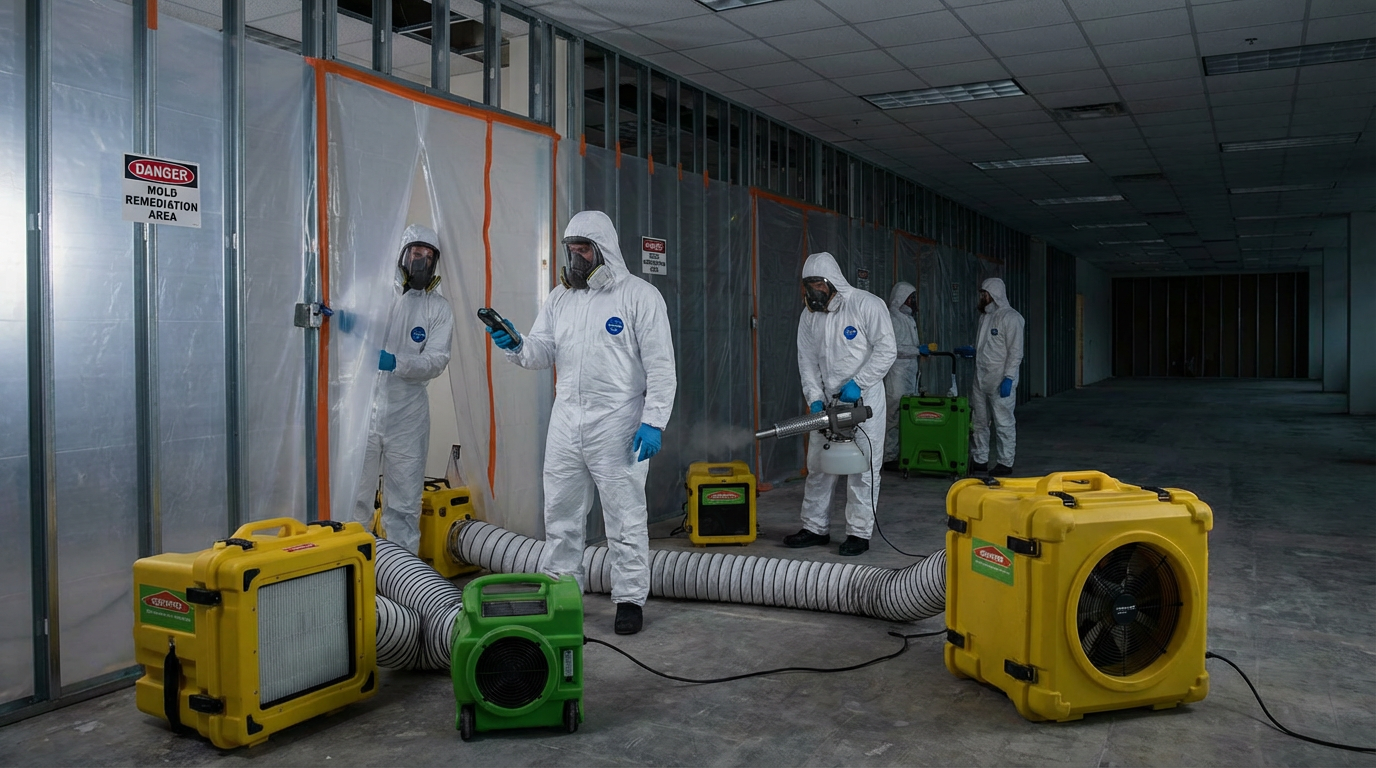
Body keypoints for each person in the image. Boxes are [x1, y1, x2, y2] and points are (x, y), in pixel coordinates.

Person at [485, 211, 676, 635]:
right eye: (571, 251)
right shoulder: (560, 298)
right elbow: (541, 351)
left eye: (584, 249)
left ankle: (629, 598)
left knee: (624, 518)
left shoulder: (640, 296)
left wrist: (654, 421)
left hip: (620, 422)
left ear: (604, 249)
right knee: (561, 514)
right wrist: (515, 345)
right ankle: (561, 591)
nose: (576, 259)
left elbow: (661, 367)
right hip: (567, 420)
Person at [784, 252, 897, 557]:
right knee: (819, 466)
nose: (813, 291)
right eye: (808, 285)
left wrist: (859, 383)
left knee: (863, 468)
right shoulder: (809, 316)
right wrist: (815, 398)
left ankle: (859, 533)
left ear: (832, 281)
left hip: (863, 401)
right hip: (827, 404)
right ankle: (814, 527)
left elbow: (887, 350)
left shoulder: (866, 304)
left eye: (818, 283)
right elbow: (806, 360)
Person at [352, 224, 455, 554]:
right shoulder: (372, 293)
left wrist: (394, 362)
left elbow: (437, 361)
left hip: (407, 415)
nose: (421, 261)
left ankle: (402, 584)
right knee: (354, 502)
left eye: (428, 256)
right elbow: (347, 332)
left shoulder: (438, 309)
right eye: (415, 253)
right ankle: (354, 579)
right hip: (363, 411)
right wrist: (344, 322)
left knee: (403, 506)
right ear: (401, 254)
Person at [955, 277, 1025, 476]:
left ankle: (1005, 462)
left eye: (985, 294)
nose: (982, 297)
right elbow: (987, 346)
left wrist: (1009, 377)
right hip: (981, 377)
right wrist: (973, 351)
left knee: (1003, 421)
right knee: (979, 420)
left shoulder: (1011, 318)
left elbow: (1015, 351)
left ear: (995, 294)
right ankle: (980, 459)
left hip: (1001, 378)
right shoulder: (985, 317)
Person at [882, 282, 928, 468]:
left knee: (908, 416)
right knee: (893, 416)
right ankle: (889, 457)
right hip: (897, 375)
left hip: (910, 375)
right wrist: (917, 351)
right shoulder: (892, 319)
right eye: (910, 298)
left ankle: (904, 453)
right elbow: (892, 349)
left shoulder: (908, 319)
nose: (913, 301)